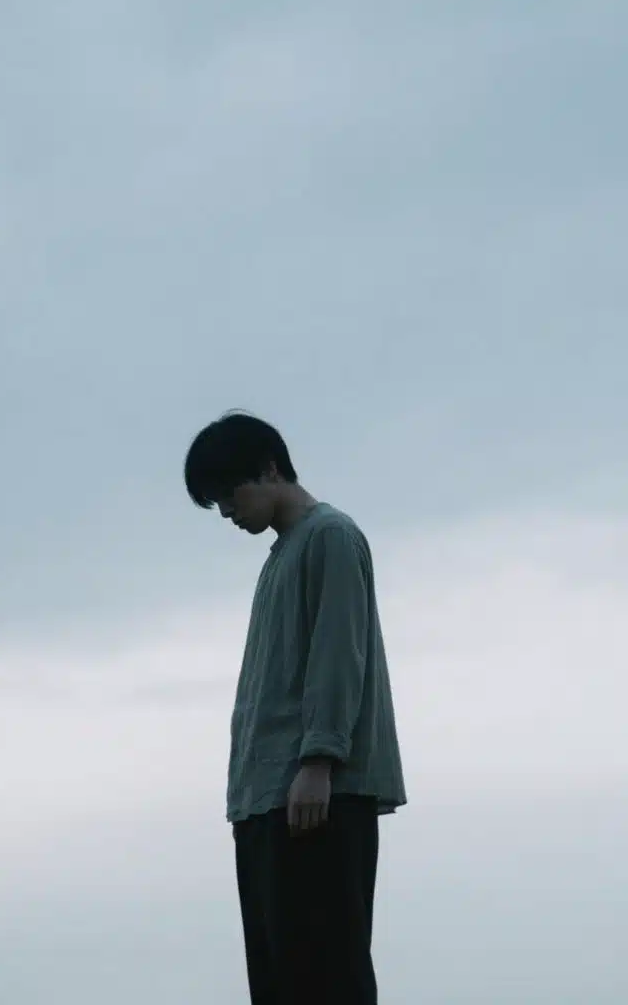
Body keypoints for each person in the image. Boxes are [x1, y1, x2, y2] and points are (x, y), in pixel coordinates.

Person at [183, 410, 407, 1005]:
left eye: (229, 494)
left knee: (327, 974)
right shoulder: (280, 556)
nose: (226, 512)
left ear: (269, 469)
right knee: (281, 980)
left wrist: (318, 760)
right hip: (269, 799)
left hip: (315, 795)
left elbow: (339, 653)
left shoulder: (330, 535)